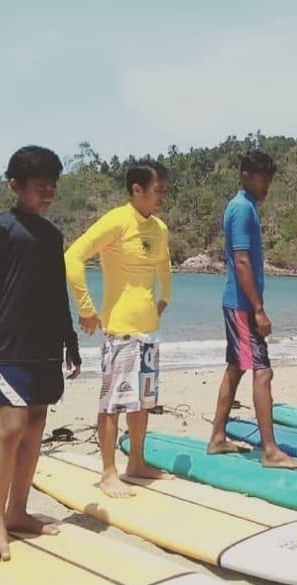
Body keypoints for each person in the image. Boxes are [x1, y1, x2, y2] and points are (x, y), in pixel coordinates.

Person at [0, 145, 81, 561]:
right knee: (10, 430)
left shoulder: (52, 235)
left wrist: (70, 340)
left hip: (45, 347)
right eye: (39, 186)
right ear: (15, 185)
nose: (47, 192)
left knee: (34, 427)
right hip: (9, 346)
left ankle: (18, 511)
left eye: (52, 185)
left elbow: (56, 292)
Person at [64, 160, 175, 498]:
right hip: (121, 332)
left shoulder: (158, 228)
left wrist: (164, 300)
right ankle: (109, 471)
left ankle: (136, 463)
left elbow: (163, 266)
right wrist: (86, 309)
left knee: (143, 402)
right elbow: (72, 258)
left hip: (149, 331)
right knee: (112, 403)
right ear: (136, 190)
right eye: (157, 191)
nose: (161, 198)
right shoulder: (116, 220)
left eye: (164, 191)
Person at [206, 150, 297, 469]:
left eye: (270, 179)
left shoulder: (244, 207)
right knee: (263, 372)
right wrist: (258, 309)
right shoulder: (242, 209)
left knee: (236, 368)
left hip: (239, 303)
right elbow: (242, 260)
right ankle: (270, 450)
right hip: (242, 305)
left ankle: (217, 437)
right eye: (263, 178)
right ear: (246, 175)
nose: (267, 185)